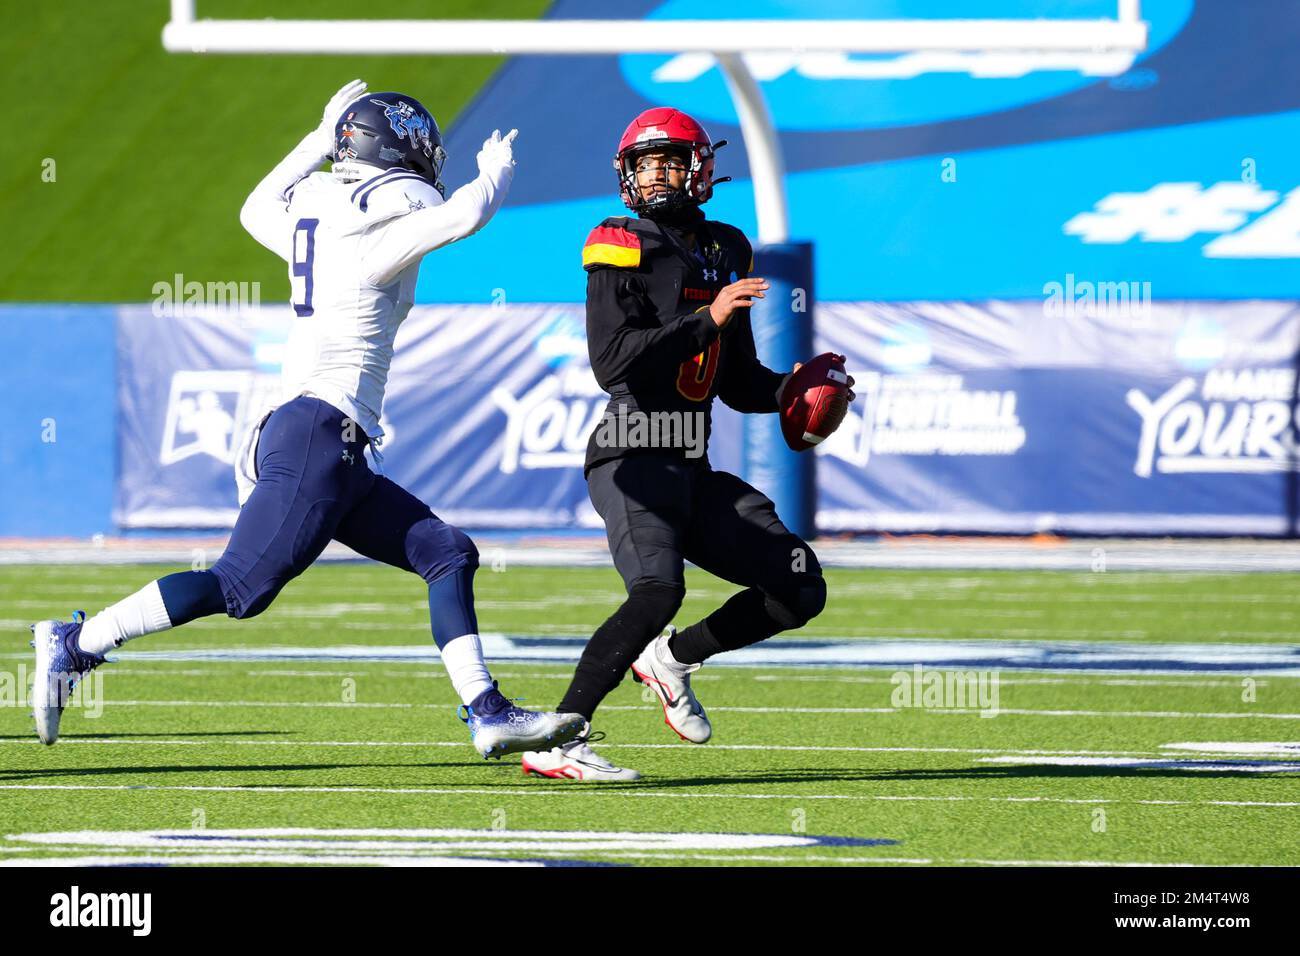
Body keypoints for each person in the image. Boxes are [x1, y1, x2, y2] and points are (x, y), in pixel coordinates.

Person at [30, 80, 583, 759]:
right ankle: (76, 643)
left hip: (328, 436)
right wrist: (494, 175)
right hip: (319, 431)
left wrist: (313, 142)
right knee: (240, 587)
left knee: (446, 551)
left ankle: (487, 710)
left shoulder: (320, 210)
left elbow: (254, 207)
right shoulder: (380, 227)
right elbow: (461, 217)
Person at [522, 107, 852, 781]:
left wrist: (793, 389)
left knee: (798, 587)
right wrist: (708, 317)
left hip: (691, 463)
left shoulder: (726, 248)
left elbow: (735, 383)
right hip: (630, 454)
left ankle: (671, 660)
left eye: (672, 161)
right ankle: (557, 741)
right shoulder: (618, 240)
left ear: (702, 168)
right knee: (655, 591)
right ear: (626, 175)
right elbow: (614, 363)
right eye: (646, 164)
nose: (658, 176)